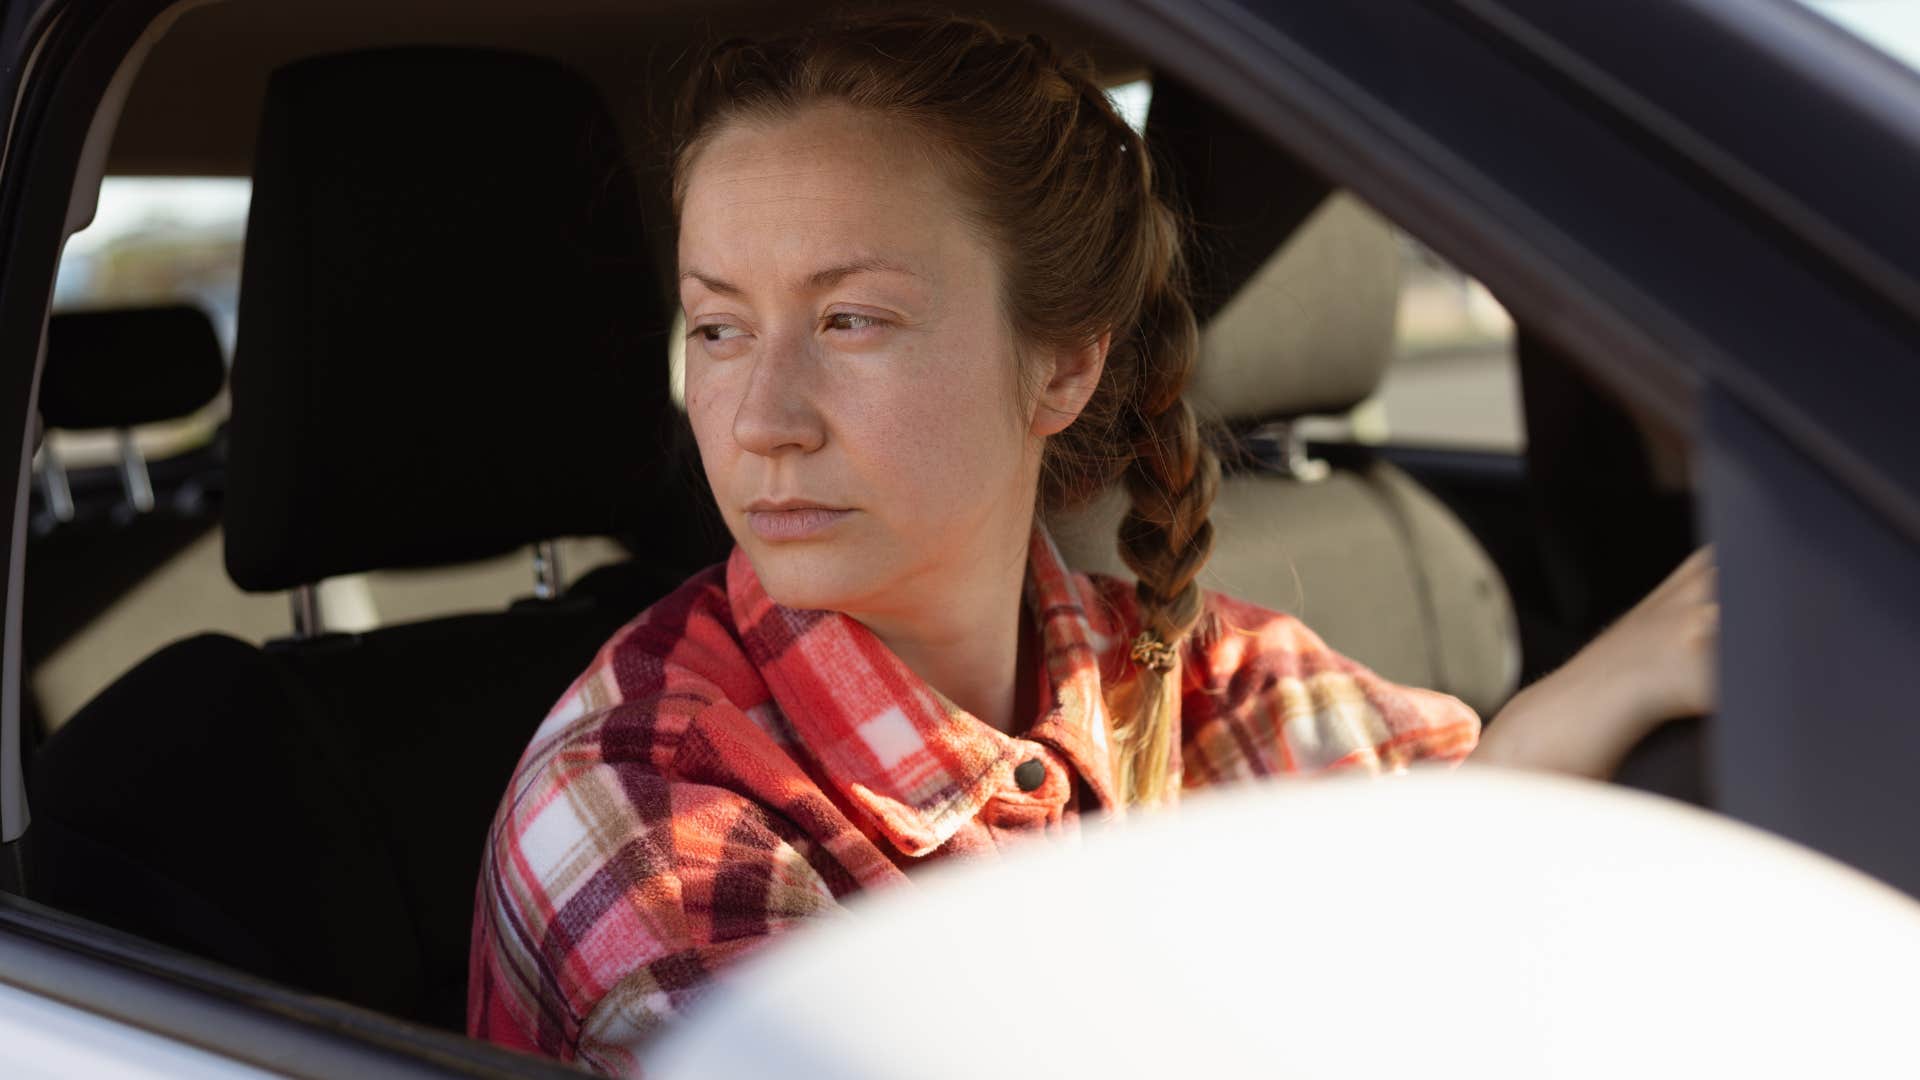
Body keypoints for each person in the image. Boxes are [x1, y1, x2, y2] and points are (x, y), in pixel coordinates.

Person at [467, 13, 1717, 1074]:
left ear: (1065, 362)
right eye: (720, 329)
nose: (760, 421)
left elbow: (1475, 878)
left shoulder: (1206, 678)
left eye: (850, 320)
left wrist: (1551, 742)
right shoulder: (640, 804)